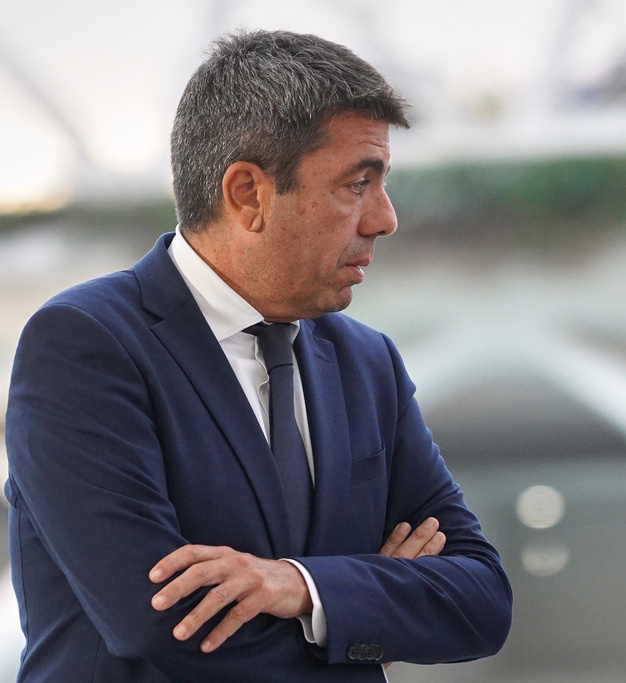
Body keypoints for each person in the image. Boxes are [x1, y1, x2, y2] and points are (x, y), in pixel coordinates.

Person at [5, 29, 512, 682]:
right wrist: (368, 606)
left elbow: (482, 600)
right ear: (247, 193)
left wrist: (301, 587)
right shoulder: (84, 346)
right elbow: (160, 623)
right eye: (358, 183)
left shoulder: (368, 364)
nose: (385, 218)